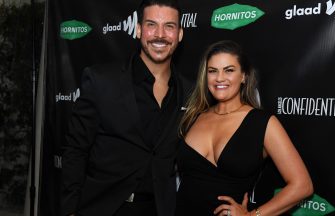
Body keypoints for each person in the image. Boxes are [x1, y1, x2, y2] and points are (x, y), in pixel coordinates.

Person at [60, 0, 190, 216]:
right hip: (104, 208)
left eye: (169, 26)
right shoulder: (101, 80)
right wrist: (70, 211)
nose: (160, 34)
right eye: (151, 25)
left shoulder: (190, 91)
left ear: (180, 34)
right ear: (138, 30)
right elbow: (75, 150)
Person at [175, 40, 313, 216]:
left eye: (229, 70)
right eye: (212, 71)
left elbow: (302, 185)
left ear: (244, 76)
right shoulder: (193, 117)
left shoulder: (263, 123)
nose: (219, 78)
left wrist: (252, 215)